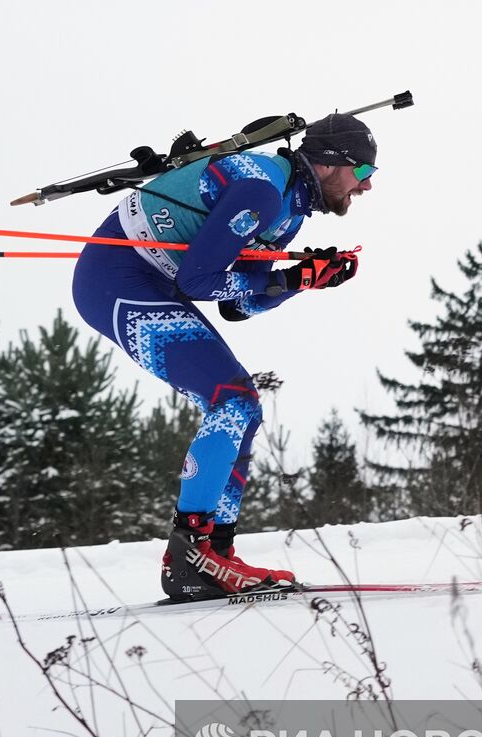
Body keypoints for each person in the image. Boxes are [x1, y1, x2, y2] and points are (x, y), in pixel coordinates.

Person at [71, 113, 378, 600]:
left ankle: (216, 551)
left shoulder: (289, 211)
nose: (364, 188)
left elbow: (238, 304)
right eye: (363, 173)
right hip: (118, 278)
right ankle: (190, 552)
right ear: (329, 164)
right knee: (231, 400)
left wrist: (306, 279)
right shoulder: (260, 189)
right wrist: (292, 278)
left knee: (244, 407)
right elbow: (200, 281)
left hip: (153, 280)